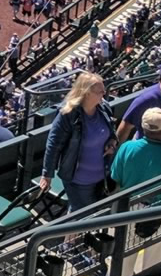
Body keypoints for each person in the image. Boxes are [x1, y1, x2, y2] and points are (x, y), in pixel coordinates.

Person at [40, 71, 115, 209]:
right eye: (100, 91)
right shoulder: (68, 114)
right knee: (84, 214)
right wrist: (47, 174)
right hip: (79, 179)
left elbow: (111, 132)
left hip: (103, 175)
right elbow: (54, 144)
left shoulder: (103, 107)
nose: (104, 94)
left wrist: (111, 143)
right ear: (87, 93)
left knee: (87, 213)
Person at [111, 106, 161, 198]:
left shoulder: (126, 147)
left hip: (127, 205)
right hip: (159, 207)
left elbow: (116, 178)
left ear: (143, 127)